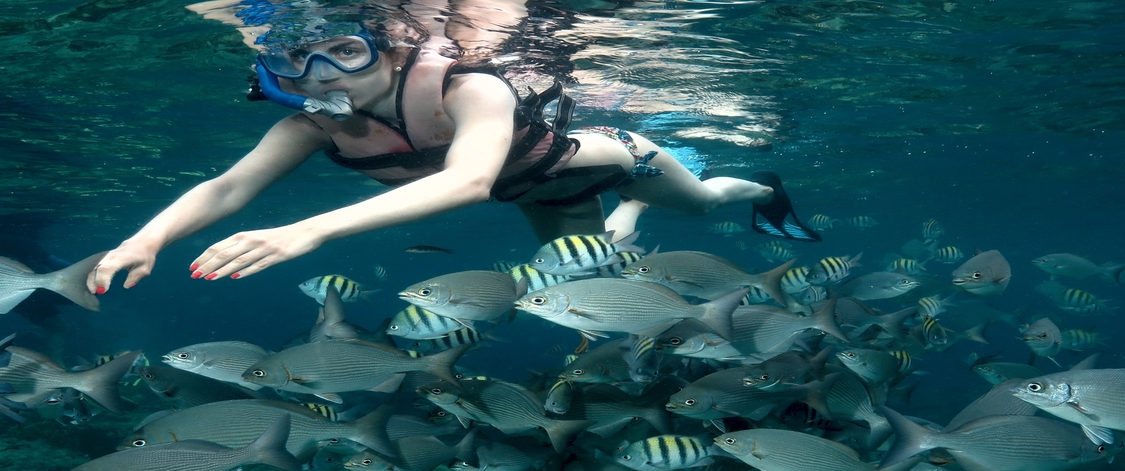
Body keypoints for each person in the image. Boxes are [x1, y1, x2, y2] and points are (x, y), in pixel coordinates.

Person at [88, 7, 816, 294]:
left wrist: (307, 228)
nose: (320, 77)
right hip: (532, 194)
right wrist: (145, 239)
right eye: (295, 64)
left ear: (389, 42)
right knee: (589, 275)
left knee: (702, 203)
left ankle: (762, 187)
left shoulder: (466, 86)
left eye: (343, 52)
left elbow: (469, 180)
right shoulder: (309, 126)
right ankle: (628, 220)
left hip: (610, 157)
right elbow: (226, 188)